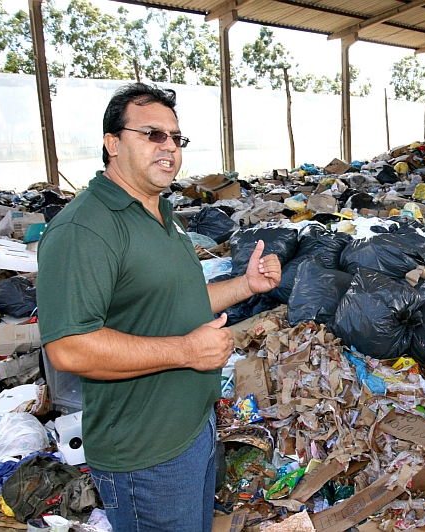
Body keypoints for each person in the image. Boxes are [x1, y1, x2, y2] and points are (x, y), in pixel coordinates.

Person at [36, 83, 281, 532]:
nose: (169, 147)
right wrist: (187, 352)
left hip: (193, 429)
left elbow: (179, 303)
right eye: (153, 134)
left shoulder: (162, 214)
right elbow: (69, 349)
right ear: (112, 143)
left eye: (175, 138)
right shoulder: (84, 229)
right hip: (145, 456)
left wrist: (246, 285)